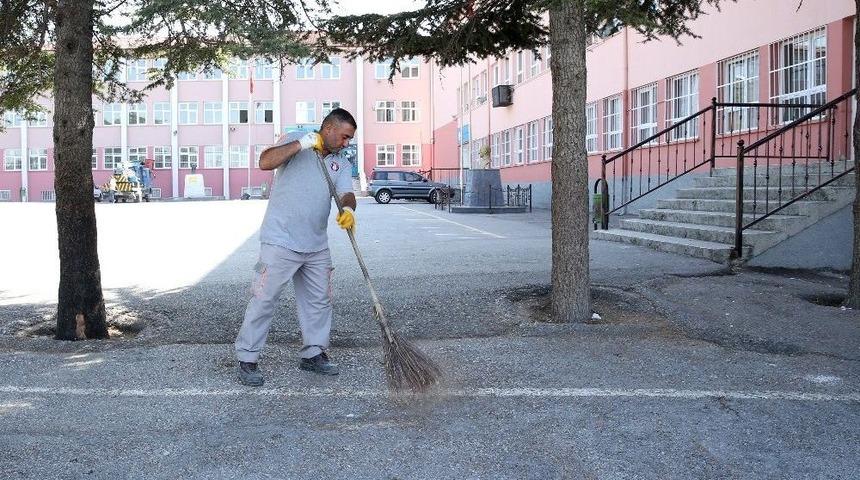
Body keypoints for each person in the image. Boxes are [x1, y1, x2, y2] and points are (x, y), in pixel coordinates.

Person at [235, 108, 357, 387]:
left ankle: (313, 354)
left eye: (349, 139)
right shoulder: (295, 140)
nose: (346, 143)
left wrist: (348, 208)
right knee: (264, 299)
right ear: (328, 129)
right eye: (344, 137)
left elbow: (345, 192)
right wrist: (301, 144)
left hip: (316, 244)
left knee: (319, 301)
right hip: (280, 241)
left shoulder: (340, 162)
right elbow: (265, 161)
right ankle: (248, 358)